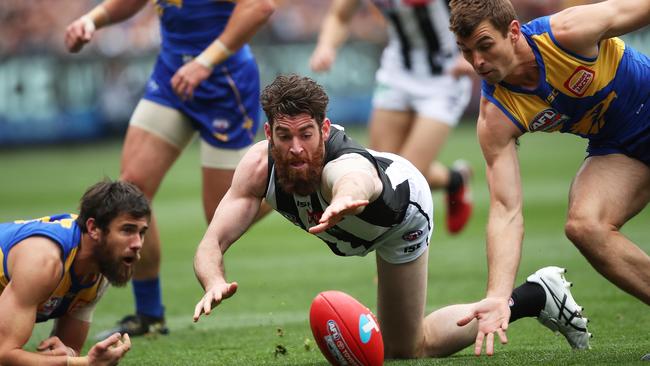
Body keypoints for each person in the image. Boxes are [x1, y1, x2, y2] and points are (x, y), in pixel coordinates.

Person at [192, 74, 590, 358]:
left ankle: (535, 295)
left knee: (409, 348)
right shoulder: (257, 168)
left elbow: (353, 177)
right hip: (354, 223)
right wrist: (213, 281)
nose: (296, 147)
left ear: (324, 128)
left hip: (402, 217)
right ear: (268, 134)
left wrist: (346, 197)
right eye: (284, 136)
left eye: (306, 134)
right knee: (400, 348)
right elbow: (212, 241)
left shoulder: (341, 161)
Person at [448, 0, 650, 356]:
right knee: (586, 225)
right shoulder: (496, 115)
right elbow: (505, 209)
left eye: (485, 45)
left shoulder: (569, 32)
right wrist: (497, 295)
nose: (477, 62)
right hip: (620, 146)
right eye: (466, 51)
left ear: (513, 32)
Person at [64, 0, 275, 337]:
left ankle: (289, 186)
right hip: (172, 77)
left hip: (225, 83)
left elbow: (261, 6)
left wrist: (205, 62)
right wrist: (93, 19)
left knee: (219, 212)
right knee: (131, 190)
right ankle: (149, 314)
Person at [309, 0, 476, 234]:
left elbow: (485, 8)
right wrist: (326, 46)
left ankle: (392, 267)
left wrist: (472, 50)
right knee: (378, 169)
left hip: (445, 76)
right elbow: (340, 15)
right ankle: (454, 180)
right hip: (398, 72)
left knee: (404, 182)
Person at [0, 180, 151, 365]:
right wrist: (83, 363)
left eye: (142, 232)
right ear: (93, 229)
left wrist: (69, 354)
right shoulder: (44, 261)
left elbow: (67, 348)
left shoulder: (102, 265)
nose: (138, 243)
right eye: (127, 230)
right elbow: (4, 355)